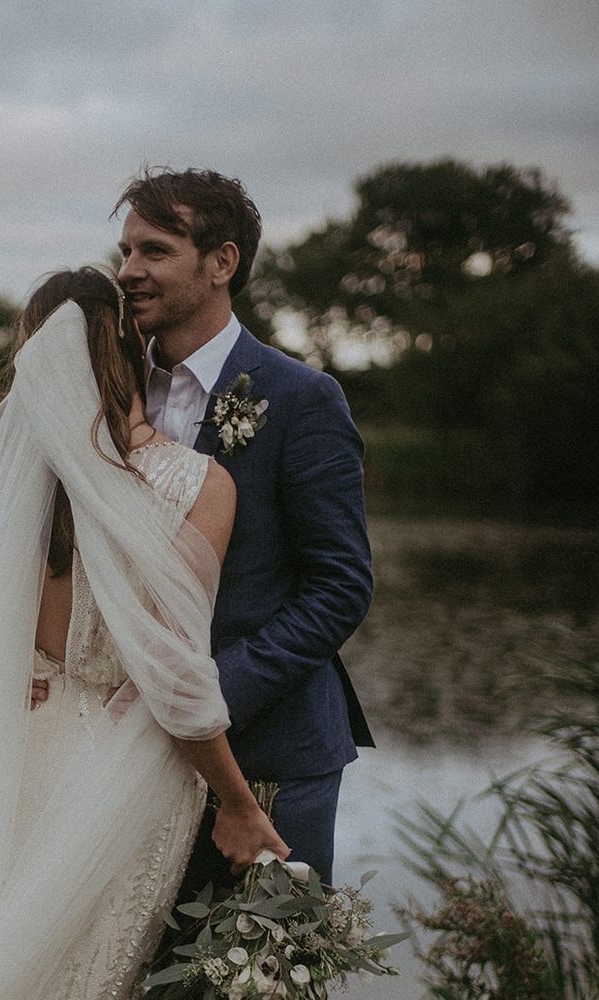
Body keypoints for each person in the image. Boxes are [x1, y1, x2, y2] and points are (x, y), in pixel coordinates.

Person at [0, 266, 287, 1000]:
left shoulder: (27, 480)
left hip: (19, 748)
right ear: (132, 344)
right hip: (121, 765)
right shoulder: (196, 484)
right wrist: (238, 802)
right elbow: (174, 675)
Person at [112, 167, 375, 889]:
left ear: (222, 262)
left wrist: (196, 695)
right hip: (119, 749)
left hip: (270, 757)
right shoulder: (109, 388)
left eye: (155, 251)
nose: (129, 270)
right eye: (127, 250)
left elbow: (340, 588)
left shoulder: (302, 399)